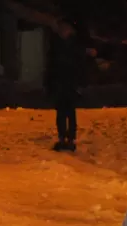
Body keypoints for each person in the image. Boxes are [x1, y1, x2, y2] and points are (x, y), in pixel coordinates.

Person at [45, 19, 93, 152]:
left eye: (65, 28)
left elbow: (80, 65)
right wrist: (49, 83)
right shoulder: (55, 45)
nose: (63, 31)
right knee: (61, 112)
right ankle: (62, 138)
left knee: (70, 112)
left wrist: (81, 82)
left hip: (70, 83)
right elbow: (51, 66)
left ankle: (71, 138)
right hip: (59, 83)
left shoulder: (74, 46)